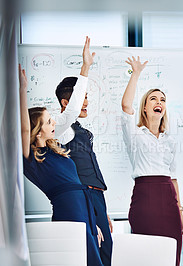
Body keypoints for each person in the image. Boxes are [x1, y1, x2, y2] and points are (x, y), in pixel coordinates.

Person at [19, 37, 104, 266]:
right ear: (37, 132)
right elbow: (24, 126)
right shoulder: (32, 158)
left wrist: (92, 219)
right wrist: (22, 90)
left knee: (91, 257)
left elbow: (73, 109)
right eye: (48, 121)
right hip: (68, 208)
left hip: (83, 205)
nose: (53, 123)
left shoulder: (55, 149)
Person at [121, 56, 183, 266]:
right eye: (153, 99)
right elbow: (125, 106)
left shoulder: (170, 140)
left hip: (169, 200)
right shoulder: (134, 134)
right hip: (144, 197)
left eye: (162, 100)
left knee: (170, 254)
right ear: (144, 108)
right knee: (146, 254)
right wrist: (136, 73)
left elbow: (174, 178)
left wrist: (180, 212)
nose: (159, 102)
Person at [54, 42, 113, 266]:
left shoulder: (78, 129)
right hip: (84, 196)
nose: (86, 102)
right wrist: (85, 68)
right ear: (66, 103)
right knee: (94, 256)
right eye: (83, 97)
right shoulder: (60, 128)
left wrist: (102, 212)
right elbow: (71, 111)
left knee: (106, 253)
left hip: (96, 197)